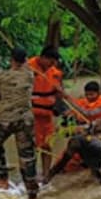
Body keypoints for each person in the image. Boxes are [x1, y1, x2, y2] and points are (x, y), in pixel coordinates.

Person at [0, 48, 39, 199]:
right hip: (25, 121)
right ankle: (32, 195)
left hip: (5, 120)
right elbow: (26, 67)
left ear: (11, 59)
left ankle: (3, 178)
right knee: (27, 156)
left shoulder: (1, 76)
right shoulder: (29, 75)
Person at [27, 46, 65, 177]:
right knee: (31, 146)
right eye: (50, 62)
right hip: (31, 115)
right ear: (43, 58)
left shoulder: (55, 73)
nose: (52, 66)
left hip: (47, 116)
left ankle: (46, 174)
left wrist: (60, 92)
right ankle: (30, 176)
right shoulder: (27, 68)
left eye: (54, 63)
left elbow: (60, 95)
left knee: (47, 145)